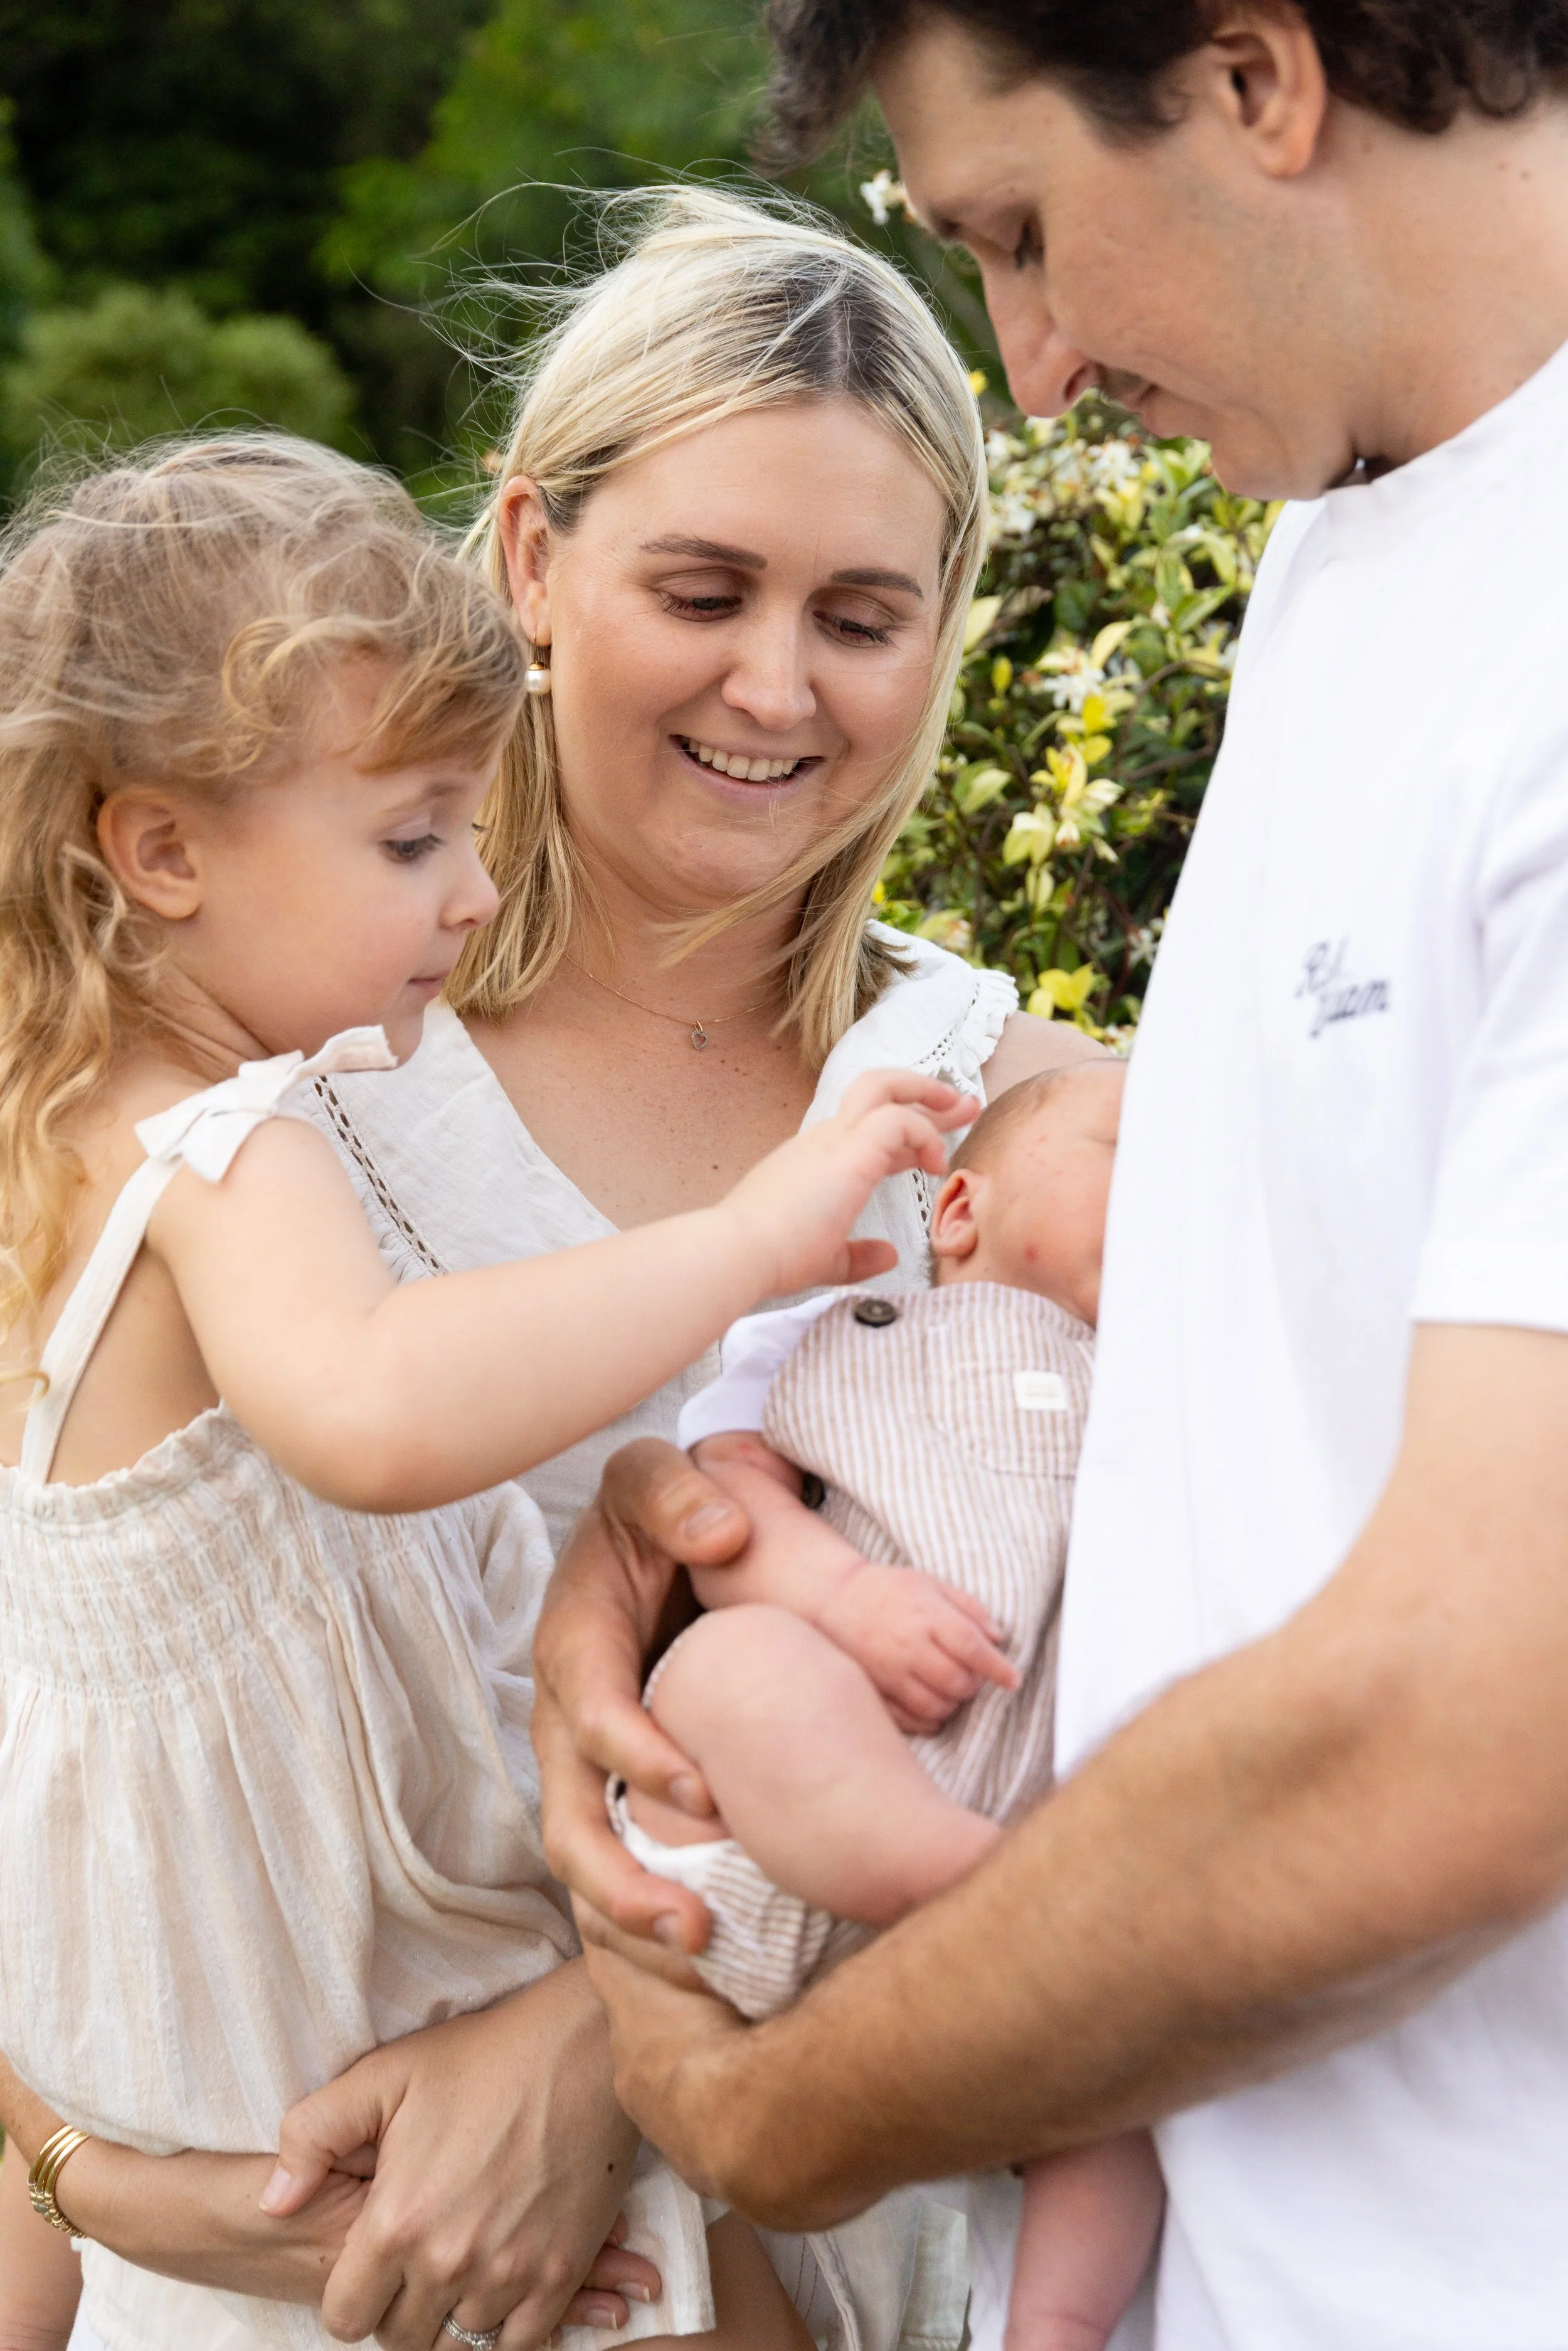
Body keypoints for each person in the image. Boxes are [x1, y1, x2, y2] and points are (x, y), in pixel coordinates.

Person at [530, 8, 1568, 2348]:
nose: (1039, 366)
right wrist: (679, 1558)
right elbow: (1231, 1358)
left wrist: (775, 2110)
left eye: (1018, 233)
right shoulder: (1355, 531)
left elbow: (1468, 1739)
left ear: (1256, 76)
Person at [0, 433, 977, 2351]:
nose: (471, 886)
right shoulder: (230, 1143)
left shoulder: (54, 1134)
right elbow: (378, 1410)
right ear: (165, 851)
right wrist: (753, 1232)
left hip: (195, 2063)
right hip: (371, 2010)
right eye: (409, 837)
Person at [241, 188, 1103, 2351]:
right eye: (702, 587)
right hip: (317, 2254)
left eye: (862, 614)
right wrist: (74, 2179)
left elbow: (1190, 1721)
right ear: (534, 557)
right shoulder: (287, 1090)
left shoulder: (1033, 1130)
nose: (776, 684)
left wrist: (597, 2040)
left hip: (858, 2253)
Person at [610, 1061, 1163, 2351]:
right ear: (957, 1211)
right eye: (1138, 1151)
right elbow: (719, 1510)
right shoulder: (849, 1338)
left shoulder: (1179, 1401)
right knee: (730, 1666)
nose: (1176, 1194)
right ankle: (963, 1871)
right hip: (766, 1838)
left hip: (998, 1970)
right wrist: (843, 1593)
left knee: (1142, 2066)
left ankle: (1054, 2321)